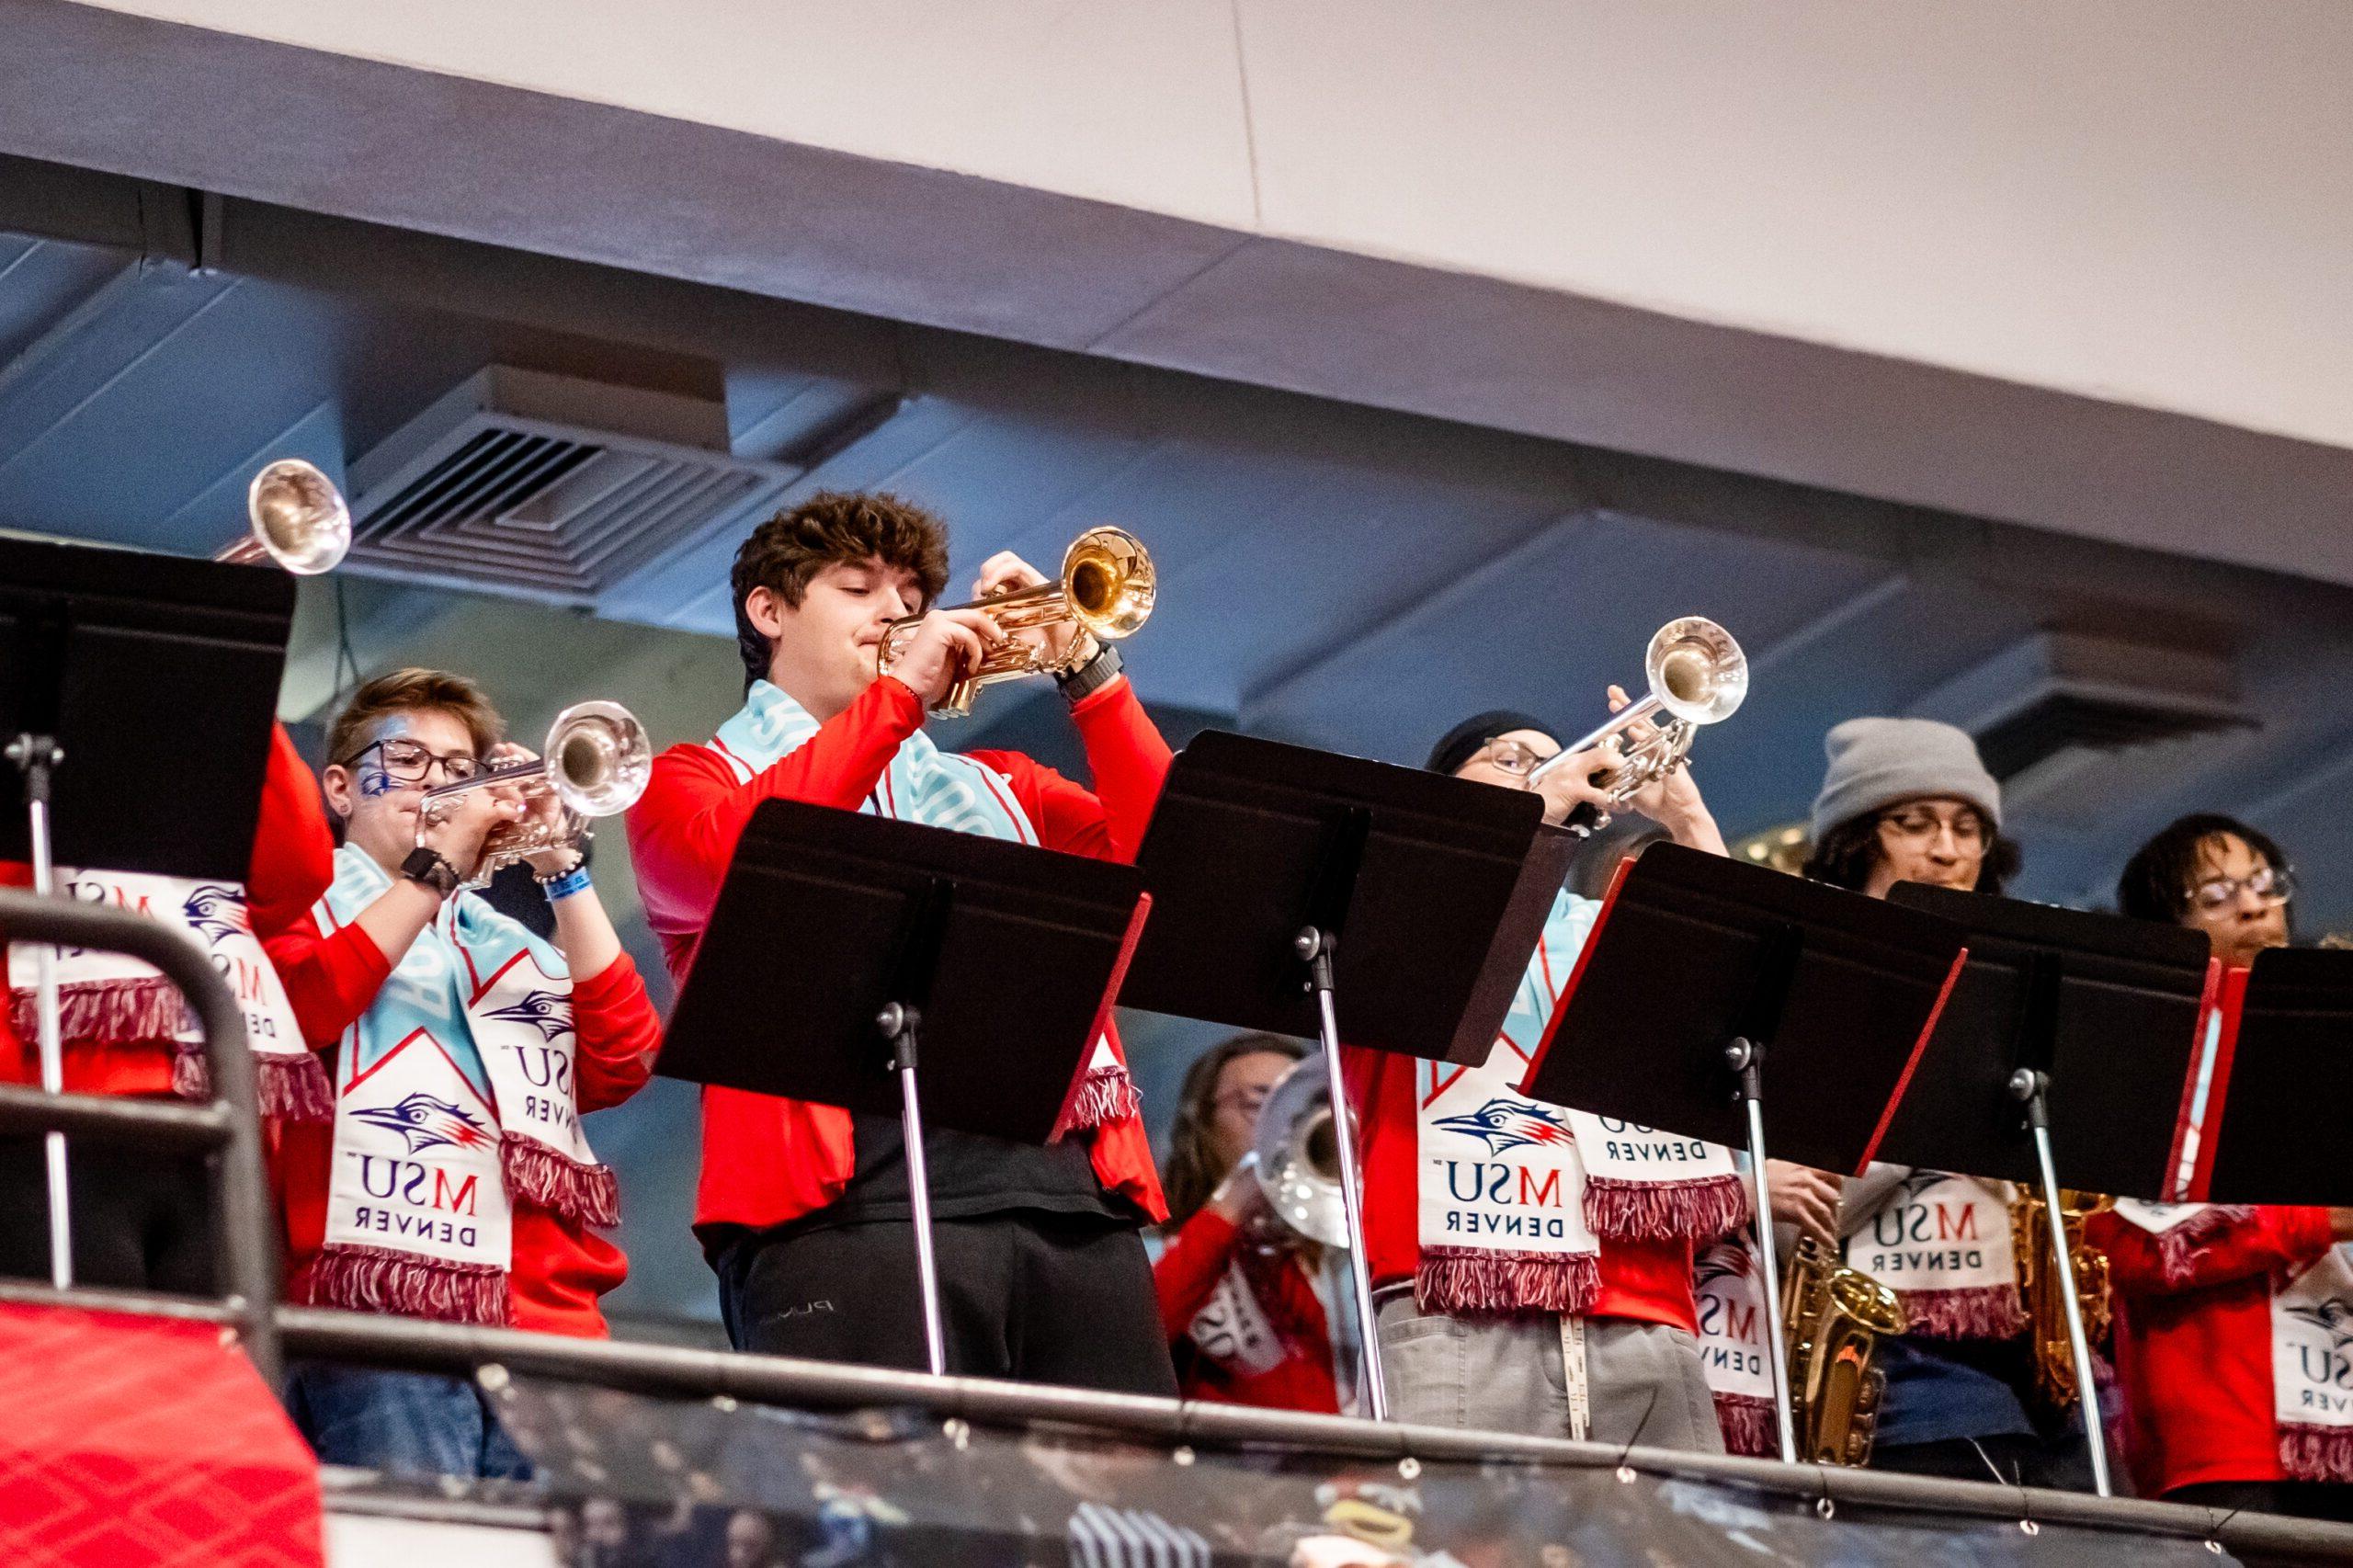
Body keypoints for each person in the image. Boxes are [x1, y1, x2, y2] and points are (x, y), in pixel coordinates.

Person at [625, 491, 1175, 1394]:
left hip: (1069, 1203)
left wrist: (1087, 670)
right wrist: (897, 698)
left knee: (1123, 1522)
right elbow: (733, 860)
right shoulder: (689, 779)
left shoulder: (1005, 784)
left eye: (913, 594)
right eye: (857, 587)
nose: (896, 610)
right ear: (769, 611)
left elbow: (1173, 865)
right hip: (847, 1214)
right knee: (892, 1520)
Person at [262, 668, 662, 1479]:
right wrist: (430, 873)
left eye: (459, 769)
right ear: (340, 788)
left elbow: (622, 1062)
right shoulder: (298, 907)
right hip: (377, 1318)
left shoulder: (509, 944)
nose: (438, 785)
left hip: (548, 1328)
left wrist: (563, 868)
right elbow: (305, 1010)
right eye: (408, 762)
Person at [1343, 700, 1774, 1450]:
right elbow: (1425, 960)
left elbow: (1735, 996)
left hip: (1647, 1318)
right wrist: (1534, 817)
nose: (1545, 771)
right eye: (1510, 759)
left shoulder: (1601, 926)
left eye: (1554, 758)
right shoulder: (1388, 897)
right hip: (1455, 1312)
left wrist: (1689, 824)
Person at [1797, 717, 2082, 1486]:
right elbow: (1792, 1209)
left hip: (2029, 1377)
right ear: (1858, 839)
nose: (1948, 851)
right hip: (1888, 1368)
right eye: (1912, 824)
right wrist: (1941, 1106)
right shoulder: (1809, 981)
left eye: (1967, 829)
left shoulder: (2021, 985)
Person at [0, 722, 335, 1291]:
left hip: (214, 1132)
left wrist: (242, 699)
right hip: (54, 1113)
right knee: (80, 1365)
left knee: (222, 1374)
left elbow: (298, 872)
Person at [2088, 813, 2353, 1519]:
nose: (2254, 904)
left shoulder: (2335, 1038)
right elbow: (2142, 1244)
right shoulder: (2148, 1057)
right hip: (2229, 1435)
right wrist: (2324, 1219)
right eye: (2216, 894)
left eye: (2264, 882)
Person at [1152, 1031, 1339, 1413]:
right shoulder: (1155, 1246)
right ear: (1202, 1123)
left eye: (1302, 1109)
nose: (1283, 1127)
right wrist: (1231, 1206)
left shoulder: (1337, 1253)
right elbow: (1138, 1335)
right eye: (1260, 1104)